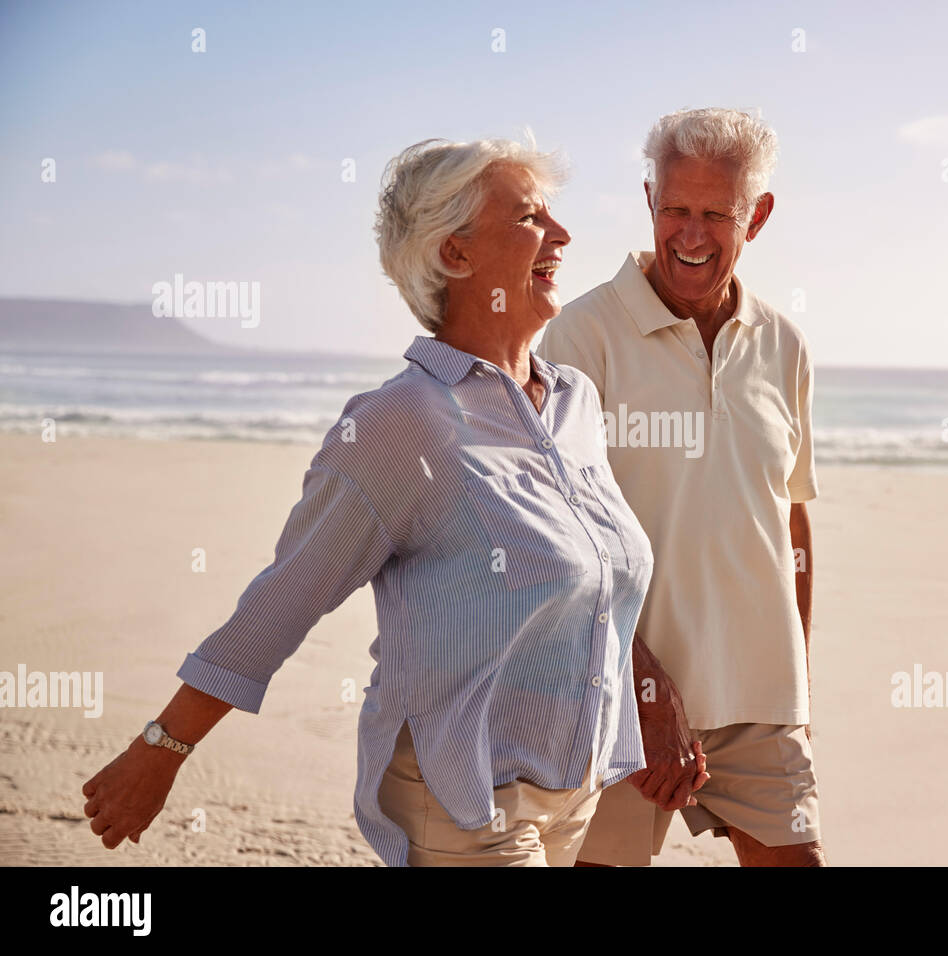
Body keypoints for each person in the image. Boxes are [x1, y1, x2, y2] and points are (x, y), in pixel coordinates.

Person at [81, 136, 664, 866]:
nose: (563, 235)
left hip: (575, 787)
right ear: (454, 256)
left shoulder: (576, 401)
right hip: (464, 794)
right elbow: (284, 599)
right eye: (528, 219)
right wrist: (161, 748)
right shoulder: (402, 422)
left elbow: (603, 585)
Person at [537, 107, 825, 866]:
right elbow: (565, 541)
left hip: (762, 702)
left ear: (756, 216)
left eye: (715, 215)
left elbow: (790, 523)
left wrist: (798, 682)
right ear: (649, 202)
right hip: (621, 700)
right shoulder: (579, 338)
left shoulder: (784, 345)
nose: (690, 236)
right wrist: (647, 693)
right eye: (675, 210)